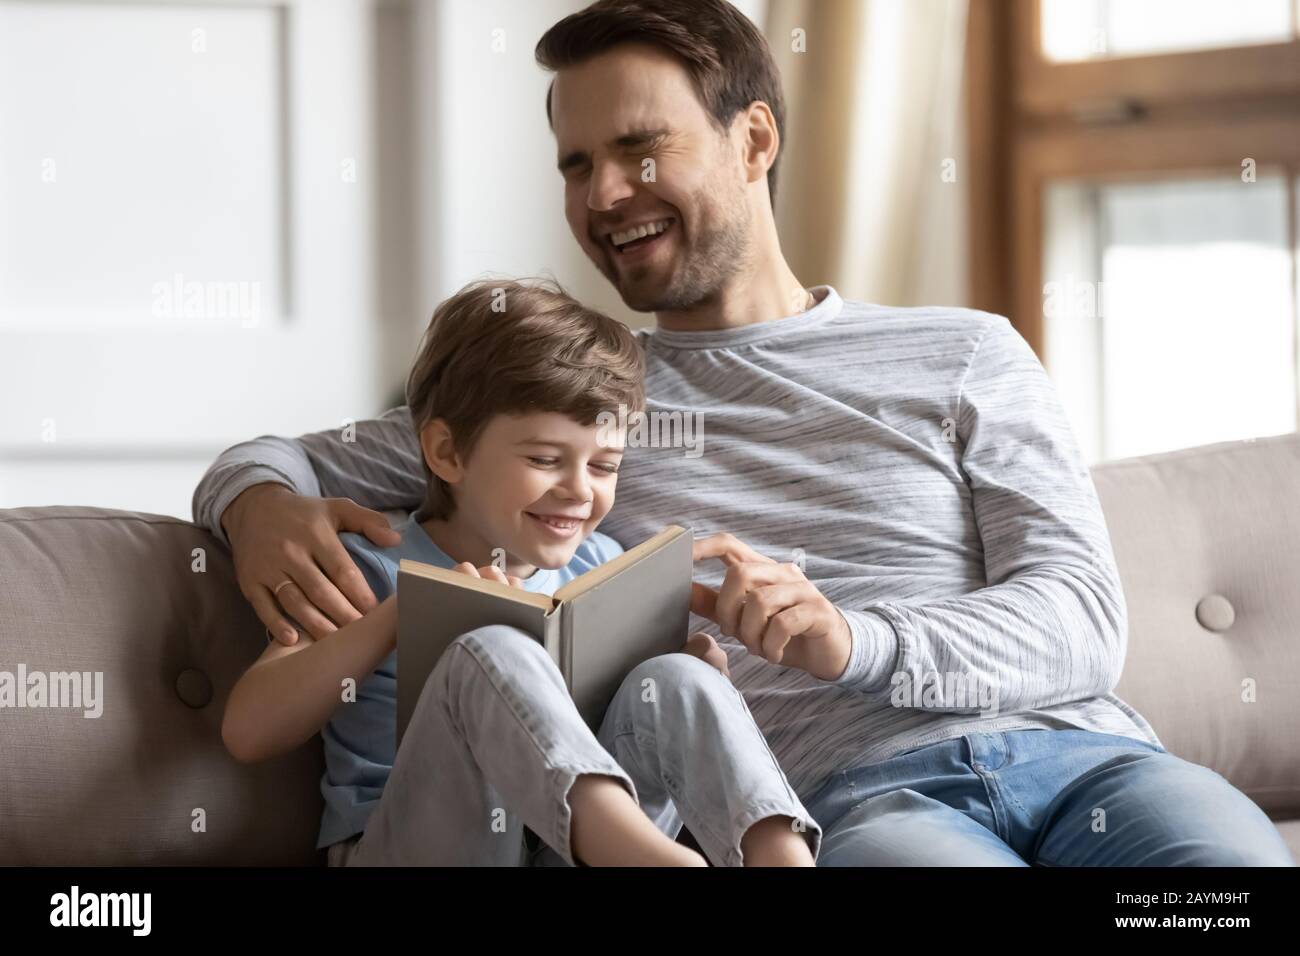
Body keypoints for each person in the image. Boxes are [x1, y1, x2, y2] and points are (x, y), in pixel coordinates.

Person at [198, 0, 1294, 866]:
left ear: (754, 137)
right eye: (576, 163)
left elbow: (1080, 620)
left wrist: (849, 641)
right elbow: (283, 456)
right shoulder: (574, 404)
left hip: (1098, 760)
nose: (604, 193)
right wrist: (255, 506)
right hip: (856, 801)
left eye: (638, 147)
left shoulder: (965, 352)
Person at [219, 278, 819, 866]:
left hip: (551, 849)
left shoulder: (600, 566)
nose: (579, 491)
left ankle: (778, 855)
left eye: (604, 465)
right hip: (417, 844)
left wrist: (696, 673)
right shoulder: (368, 567)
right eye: (544, 459)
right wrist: (406, 614)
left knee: (675, 677)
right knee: (489, 645)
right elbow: (249, 730)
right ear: (448, 453)